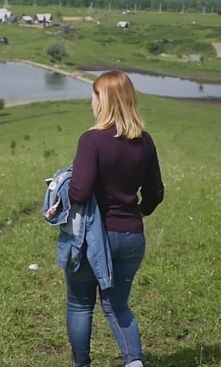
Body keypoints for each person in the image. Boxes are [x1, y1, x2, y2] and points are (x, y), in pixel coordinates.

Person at [65, 70, 165, 367]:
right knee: (117, 305)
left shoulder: (91, 140)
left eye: (94, 95)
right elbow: (155, 193)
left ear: (105, 100)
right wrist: (138, 212)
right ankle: (134, 362)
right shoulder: (144, 141)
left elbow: (80, 193)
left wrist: (62, 185)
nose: (91, 101)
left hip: (91, 238)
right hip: (131, 237)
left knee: (80, 305)